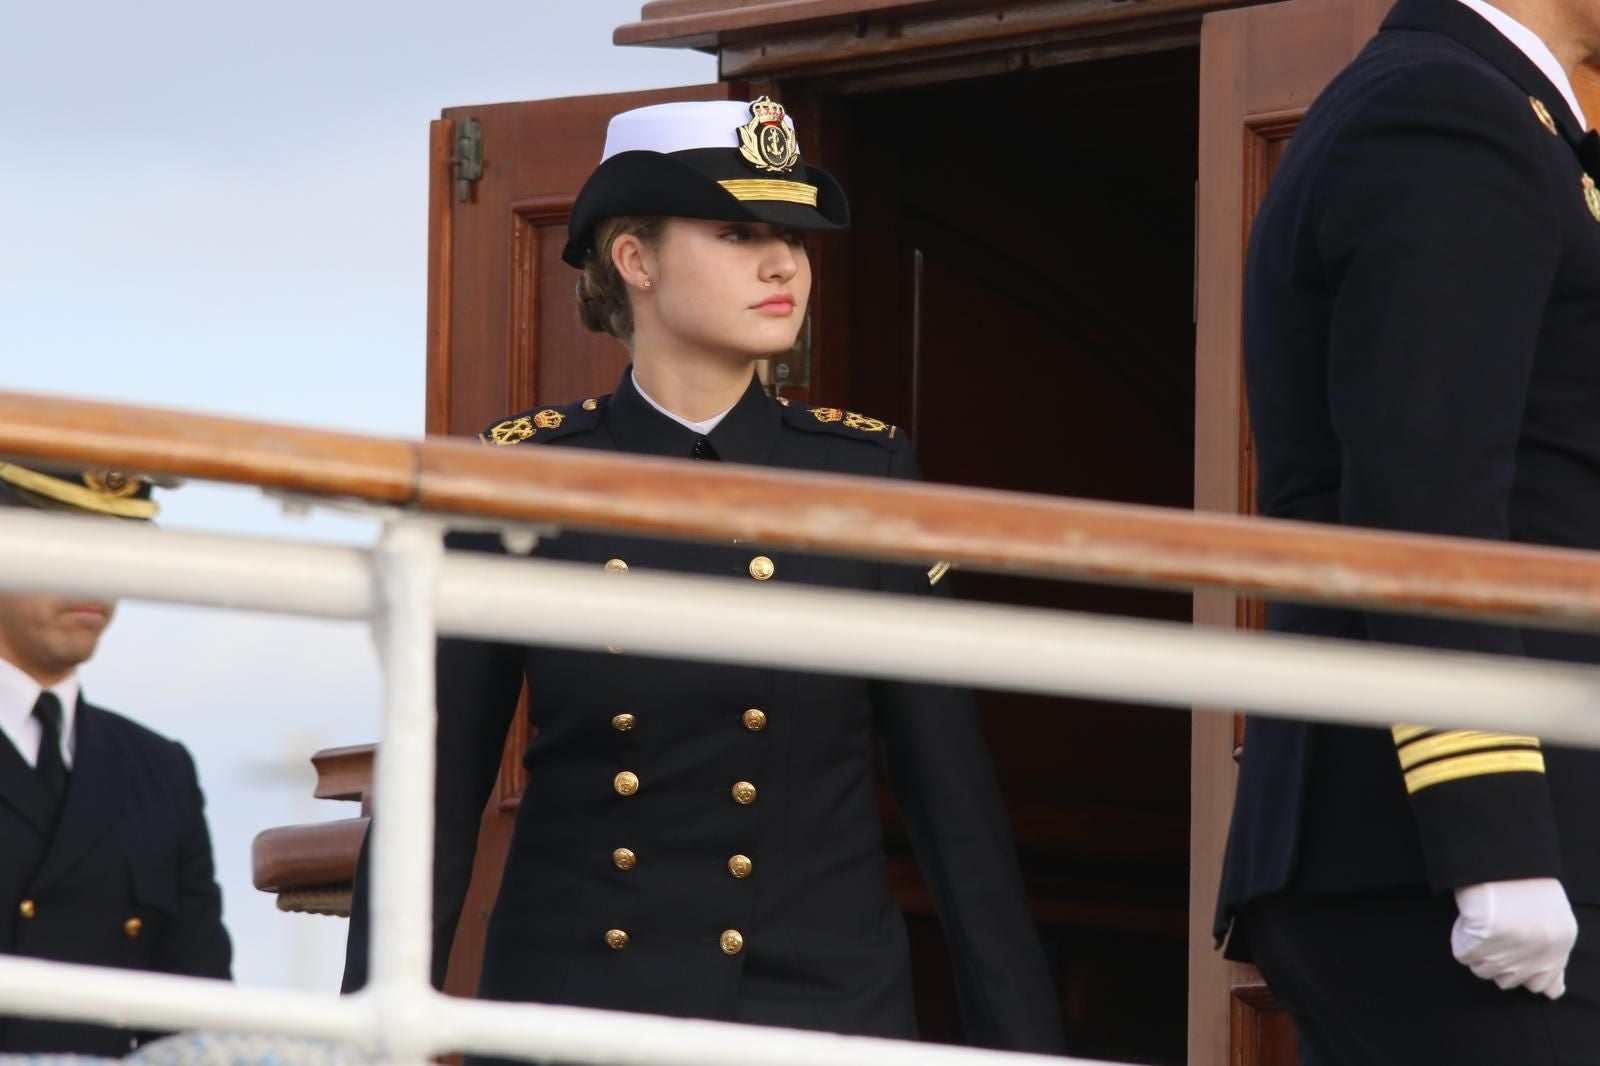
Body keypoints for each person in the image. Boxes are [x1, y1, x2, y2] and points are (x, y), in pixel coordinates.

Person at [343, 97, 1064, 1055]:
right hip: (577, 1011)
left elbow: (953, 806)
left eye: (795, 241)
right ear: (633, 260)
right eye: (738, 233)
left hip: (810, 1012)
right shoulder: (521, 478)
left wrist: (1027, 1046)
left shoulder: (866, 474)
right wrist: (356, 1043)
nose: (783, 266)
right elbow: (432, 805)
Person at [1214, 0, 1600, 1061]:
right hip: (1446, 851)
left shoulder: (1521, 124)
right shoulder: (1446, 111)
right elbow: (1423, 494)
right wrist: (1493, 840)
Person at [0, 462, 232, 1056]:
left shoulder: (160, 771)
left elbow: (195, 1019)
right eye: (67, 545)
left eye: (112, 550)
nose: (93, 579)